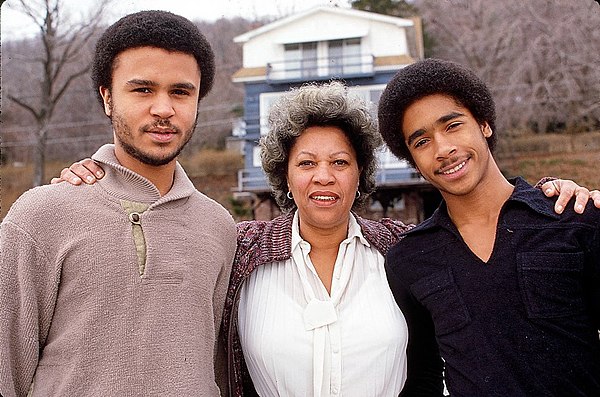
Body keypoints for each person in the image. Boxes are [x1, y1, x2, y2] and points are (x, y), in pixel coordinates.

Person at [53, 79, 599, 397]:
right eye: (306, 162)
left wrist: (552, 191)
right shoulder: (238, 249)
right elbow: (164, 237)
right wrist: (100, 177)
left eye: (340, 162)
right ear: (283, 174)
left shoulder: (402, 250)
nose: (323, 176)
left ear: (361, 173)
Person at [0, 11, 236, 397]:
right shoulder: (41, 216)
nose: (163, 109)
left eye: (180, 92)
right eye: (142, 90)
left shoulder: (219, 226)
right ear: (107, 97)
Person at [377, 58, 600, 396]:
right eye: (421, 141)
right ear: (412, 159)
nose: (443, 149)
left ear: (484, 124)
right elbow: (422, 375)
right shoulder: (409, 259)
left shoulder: (574, 219)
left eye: (452, 125)